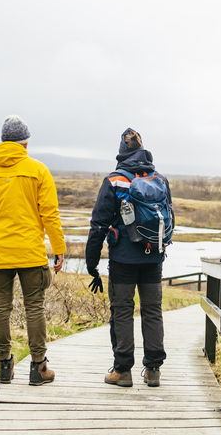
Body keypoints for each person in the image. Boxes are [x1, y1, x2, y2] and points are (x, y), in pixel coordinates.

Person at [0, 115, 66, 386]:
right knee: (34, 307)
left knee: (1, 305)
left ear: (3, 141)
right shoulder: (38, 170)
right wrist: (58, 248)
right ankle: (38, 367)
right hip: (30, 252)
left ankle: (4, 365)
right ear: (25, 142)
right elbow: (50, 214)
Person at [85, 128, 172, 388]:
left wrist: (92, 264)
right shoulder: (160, 179)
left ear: (122, 153)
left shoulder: (114, 180)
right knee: (152, 310)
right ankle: (153, 370)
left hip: (123, 258)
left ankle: (122, 371)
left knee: (122, 311)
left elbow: (98, 225)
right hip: (153, 258)